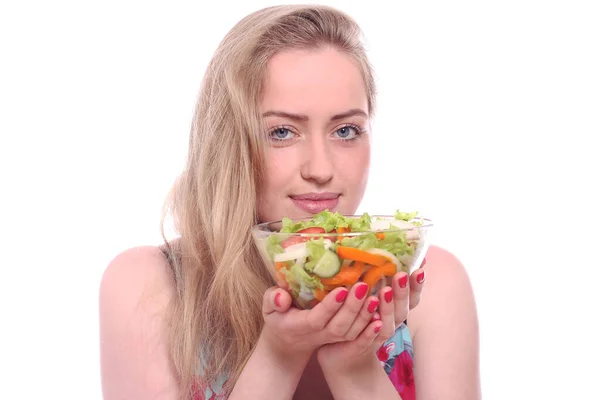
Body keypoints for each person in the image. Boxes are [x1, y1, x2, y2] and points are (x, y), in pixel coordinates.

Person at [99, 4, 480, 400]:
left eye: (346, 129)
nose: (320, 168)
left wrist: (354, 366)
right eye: (282, 132)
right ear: (228, 145)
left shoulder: (433, 283)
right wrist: (279, 357)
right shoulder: (149, 285)